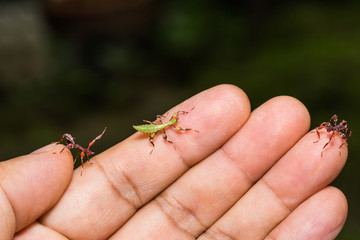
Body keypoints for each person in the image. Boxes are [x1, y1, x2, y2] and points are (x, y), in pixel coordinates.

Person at [1, 85, 348, 239]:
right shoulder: (161, 130)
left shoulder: (169, 127)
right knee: (160, 135)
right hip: (153, 128)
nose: (177, 123)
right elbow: (162, 130)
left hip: (156, 127)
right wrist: (160, 131)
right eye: (176, 121)